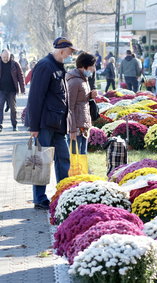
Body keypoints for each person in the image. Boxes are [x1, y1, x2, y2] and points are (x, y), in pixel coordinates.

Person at [27, 37, 77, 209]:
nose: (70, 56)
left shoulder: (58, 66)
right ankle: (39, 198)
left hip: (58, 124)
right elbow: (35, 97)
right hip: (44, 125)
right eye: (70, 52)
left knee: (63, 158)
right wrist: (34, 127)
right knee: (41, 162)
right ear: (62, 50)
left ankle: (63, 193)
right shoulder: (45, 66)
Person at [66, 52, 97, 154]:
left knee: (82, 156)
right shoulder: (74, 81)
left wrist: (90, 95)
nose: (93, 69)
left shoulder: (83, 79)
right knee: (75, 157)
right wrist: (72, 129)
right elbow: (70, 106)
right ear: (84, 67)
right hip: (77, 126)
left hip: (83, 124)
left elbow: (81, 99)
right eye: (92, 66)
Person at [0, 49, 25, 132]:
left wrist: (22, 89)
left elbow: (21, 77)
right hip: (1, 90)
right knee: (0, 107)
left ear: (9, 56)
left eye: (7, 57)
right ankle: (0, 124)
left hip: (12, 90)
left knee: (13, 108)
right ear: (1, 56)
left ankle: (14, 125)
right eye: (3, 57)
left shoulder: (15, 64)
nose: (5, 59)